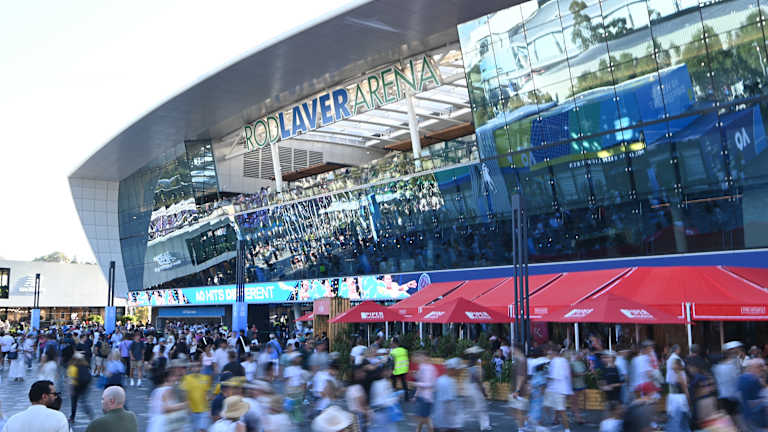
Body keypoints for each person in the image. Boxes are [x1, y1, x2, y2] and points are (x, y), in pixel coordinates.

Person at [1, 380, 68, 432]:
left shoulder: (13, 420)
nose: (56, 397)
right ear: (44, 396)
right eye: (54, 394)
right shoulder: (58, 418)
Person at [146, 361, 187, 432]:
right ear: (168, 378)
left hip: (156, 422)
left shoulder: (157, 390)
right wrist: (184, 405)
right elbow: (166, 408)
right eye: (174, 376)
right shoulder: (167, 389)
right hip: (163, 423)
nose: (176, 378)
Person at [544, 346, 573, 432]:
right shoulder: (564, 361)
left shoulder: (554, 362)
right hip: (562, 389)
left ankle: (567, 429)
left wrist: (545, 380)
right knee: (555, 407)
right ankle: (555, 420)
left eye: (549, 353)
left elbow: (553, 376)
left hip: (557, 389)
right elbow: (569, 375)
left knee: (561, 410)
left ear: (553, 353)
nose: (549, 355)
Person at [713, 341, 743, 418]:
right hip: (731, 397)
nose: (737, 351)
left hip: (726, 396)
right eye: (736, 350)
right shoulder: (731, 365)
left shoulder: (718, 367)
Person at [180, 361, 212, 432]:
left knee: (203, 429)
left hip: (204, 410)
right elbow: (184, 394)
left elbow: (207, 394)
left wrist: (209, 408)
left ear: (200, 368)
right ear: (191, 368)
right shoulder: (186, 378)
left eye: (197, 366)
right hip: (192, 410)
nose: (196, 368)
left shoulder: (206, 378)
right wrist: (187, 407)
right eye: (194, 367)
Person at [433, 358, 462, 432]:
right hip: (445, 424)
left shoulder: (441, 379)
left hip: (441, 421)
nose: (459, 372)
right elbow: (448, 404)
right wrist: (455, 423)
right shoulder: (447, 382)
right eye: (458, 370)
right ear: (452, 369)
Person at [738, 358, 767, 431]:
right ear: (753, 367)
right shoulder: (752, 380)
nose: (762, 370)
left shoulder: (742, 378)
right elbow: (758, 400)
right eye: (760, 367)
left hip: (747, 415)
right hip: (757, 417)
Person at [413, 351, 437, 432]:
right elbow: (420, 380)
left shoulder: (430, 368)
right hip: (421, 396)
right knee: (422, 418)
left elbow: (430, 384)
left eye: (422, 357)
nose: (420, 358)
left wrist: (416, 383)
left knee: (425, 418)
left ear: (427, 357)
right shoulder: (422, 367)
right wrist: (415, 396)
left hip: (427, 397)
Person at [67, 352, 94, 424]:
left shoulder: (72, 367)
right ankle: (90, 414)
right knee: (83, 401)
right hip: (84, 385)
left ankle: (72, 417)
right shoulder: (86, 365)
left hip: (75, 386)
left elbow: (71, 379)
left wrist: (71, 389)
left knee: (74, 402)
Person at [665, 357, 690, 432]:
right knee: (682, 423)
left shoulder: (681, 374)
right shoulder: (677, 374)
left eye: (673, 363)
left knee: (679, 422)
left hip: (680, 401)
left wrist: (688, 400)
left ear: (677, 365)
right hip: (678, 400)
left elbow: (685, 388)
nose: (671, 365)